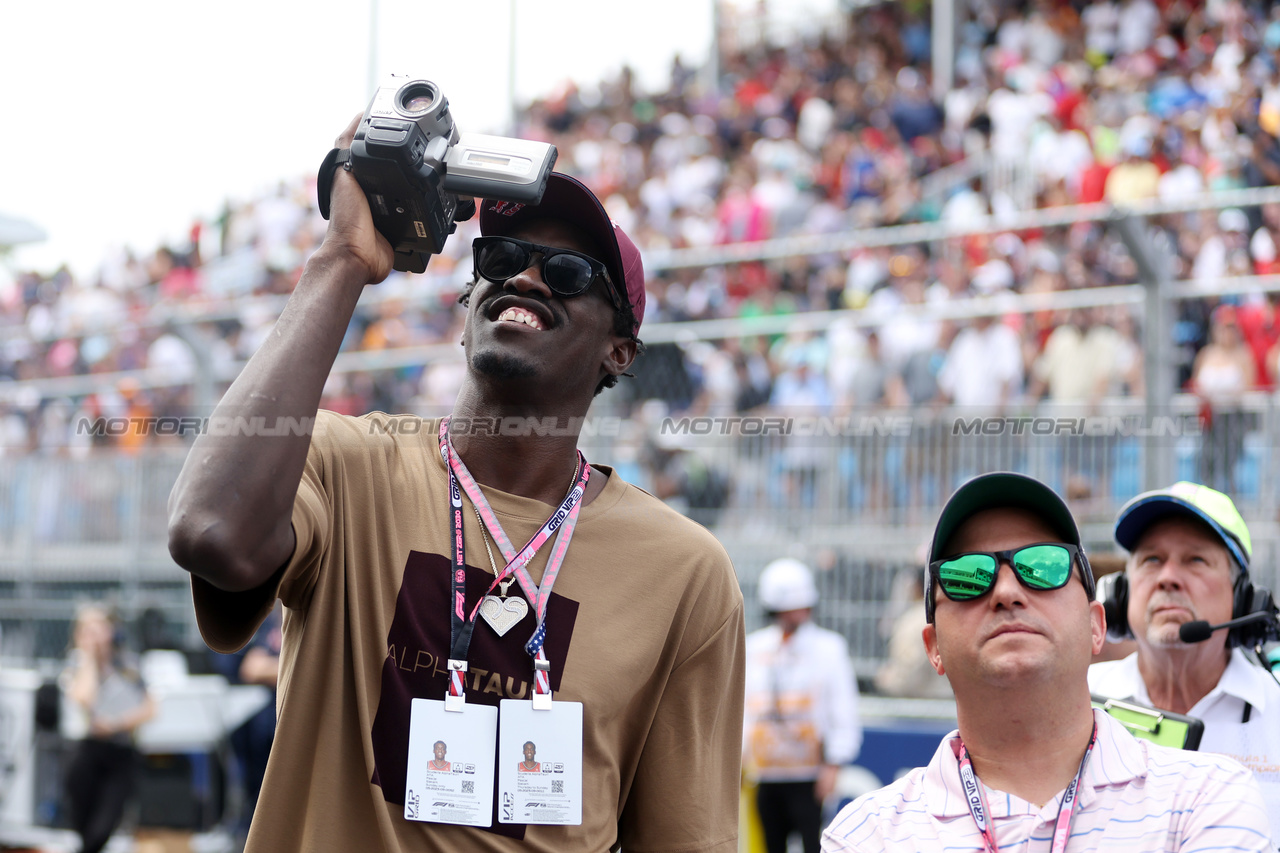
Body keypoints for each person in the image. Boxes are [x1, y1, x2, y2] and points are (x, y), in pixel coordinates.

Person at [167, 112, 745, 852]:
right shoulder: (348, 465)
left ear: (620, 351)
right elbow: (212, 532)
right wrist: (340, 258)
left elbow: (684, 839)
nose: (527, 277)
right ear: (464, 316)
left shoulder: (684, 572)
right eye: (502, 256)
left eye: (567, 274)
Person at [823, 472, 1271, 852]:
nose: (1005, 591)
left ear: (1098, 625)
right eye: (967, 575)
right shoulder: (862, 834)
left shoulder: (1212, 794)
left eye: (1044, 566)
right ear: (933, 646)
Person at [1089, 481, 1280, 844]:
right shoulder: (1075, 698)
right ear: (1120, 593)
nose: (1167, 578)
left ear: (1243, 600)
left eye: (1195, 559)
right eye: (1151, 560)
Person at [744, 558, 860, 853]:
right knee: (770, 845)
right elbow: (746, 709)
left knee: (814, 845)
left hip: (809, 773)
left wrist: (833, 764)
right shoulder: (755, 647)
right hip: (765, 774)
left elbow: (843, 709)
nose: (794, 614)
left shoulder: (828, 648)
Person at [62, 603, 157, 853]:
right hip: (86, 751)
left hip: (121, 750)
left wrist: (116, 724)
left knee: (104, 826)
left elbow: (150, 708)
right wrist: (91, 659)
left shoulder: (128, 664)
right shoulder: (76, 664)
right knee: (82, 824)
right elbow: (84, 697)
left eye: (100, 627)